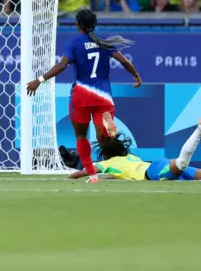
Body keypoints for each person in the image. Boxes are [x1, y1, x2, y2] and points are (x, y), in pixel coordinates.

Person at [26, 9, 141, 183]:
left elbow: (62, 65)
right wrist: (136, 76)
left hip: (81, 95)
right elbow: (124, 61)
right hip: (103, 96)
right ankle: (108, 131)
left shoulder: (73, 44)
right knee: (103, 139)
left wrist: (39, 80)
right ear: (94, 24)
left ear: (77, 24)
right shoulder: (104, 42)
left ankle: (92, 174)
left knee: (81, 135)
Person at [69, 117, 201, 181]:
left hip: (152, 172)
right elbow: (118, 175)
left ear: (105, 154)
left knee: (181, 163)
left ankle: (200, 129)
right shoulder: (129, 157)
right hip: (155, 166)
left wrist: (74, 175)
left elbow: (89, 169)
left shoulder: (105, 164)